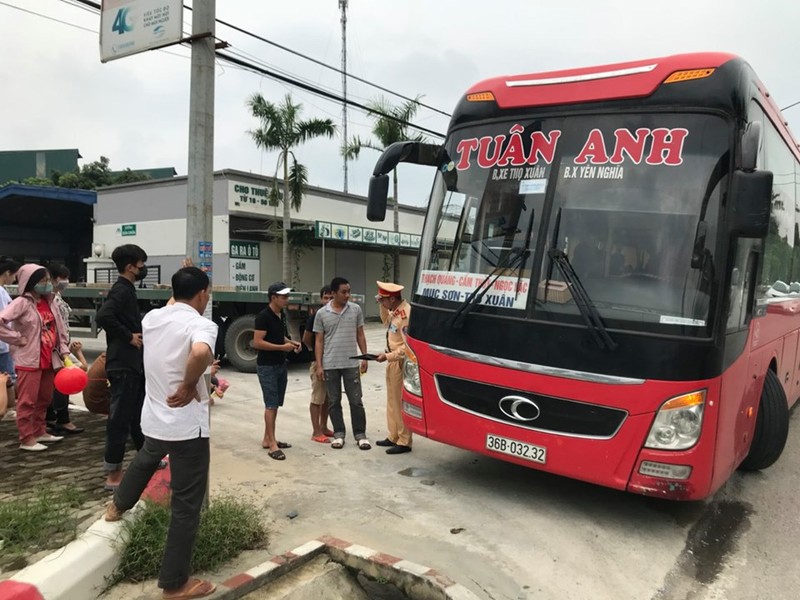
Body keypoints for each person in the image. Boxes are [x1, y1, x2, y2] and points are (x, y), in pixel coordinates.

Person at [104, 266, 218, 600]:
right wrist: (187, 385)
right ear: (201, 294)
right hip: (187, 426)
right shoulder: (201, 324)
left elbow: (177, 302)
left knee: (145, 459)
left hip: (155, 418)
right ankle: (174, 583)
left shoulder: (152, 319)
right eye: (206, 292)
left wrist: (183, 278)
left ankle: (116, 507)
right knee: (186, 505)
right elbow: (199, 352)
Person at [0, 264, 71, 451]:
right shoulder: (21, 303)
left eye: (47, 279)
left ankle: (40, 431)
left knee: (44, 399)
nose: (47, 284)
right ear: (30, 282)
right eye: (42, 280)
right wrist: (16, 338)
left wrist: (64, 351)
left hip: (49, 358)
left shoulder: (51, 301)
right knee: (27, 400)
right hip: (29, 360)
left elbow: (59, 329)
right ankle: (26, 438)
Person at [96, 244, 148, 490]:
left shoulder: (127, 289)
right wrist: (129, 336)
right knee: (119, 419)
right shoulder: (121, 290)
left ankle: (145, 458)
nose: (143, 269)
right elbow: (104, 316)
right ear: (130, 267)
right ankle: (113, 474)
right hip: (123, 364)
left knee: (136, 415)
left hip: (131, 364)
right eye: (141, 265)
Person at [313, 276, 371, 450]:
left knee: (356, 400)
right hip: (330, 364)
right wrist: (320, 365)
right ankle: (339, 434)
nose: (347, 295)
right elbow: (319, 341)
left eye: (349, 291)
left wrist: (365, 356)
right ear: (333, 293)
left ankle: (360, 434)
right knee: (334, 401)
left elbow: (360, 334)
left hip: (351, 364)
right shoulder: (322, 313)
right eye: (343, 292)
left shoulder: (355, 310)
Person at [253, 282, 300, 460]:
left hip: (280, 364)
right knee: (270, 405)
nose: (287, 299)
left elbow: (278, 336)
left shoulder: (280, 315)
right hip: (267, 366)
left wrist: (291, 342)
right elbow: (257, 342)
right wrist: (282, 347)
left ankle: (268, 438)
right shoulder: (263, 316)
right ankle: (272, 444)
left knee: (276, 404)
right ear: (273, 298)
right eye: (284, 297)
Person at [374, 281, 413, 454]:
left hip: (399, 361)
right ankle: (394, 435)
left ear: (391, 299)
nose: (381, 302)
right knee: (392, 401)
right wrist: (382, 306)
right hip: (391, 361)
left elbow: (408, 347)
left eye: (383, 300)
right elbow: (385, 322)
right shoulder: (395, 312)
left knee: (400, 402)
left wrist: (388, 356)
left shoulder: (405, 314)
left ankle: (404, 440)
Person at [45, 264, 84, 435]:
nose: (65, 282)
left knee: (59, 383)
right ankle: (61, 419)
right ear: (52, 279)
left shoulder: (56, 296)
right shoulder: (48, 299)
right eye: (61, 278)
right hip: (55, 348)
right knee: (62, 383)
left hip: (62, 346)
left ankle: (54, 417)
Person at [302, 285, 335, 443]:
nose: (328, 301)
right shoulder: (315, 317)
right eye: (325, 298)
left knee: (327, 397)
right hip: (318, 363)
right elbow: (307, 339)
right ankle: (316, 432)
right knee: (317, 397)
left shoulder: (335, 315)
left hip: (331, 363)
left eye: (331, 298)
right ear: (321, 299)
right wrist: (316, 356)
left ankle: (324, 426)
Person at [0, 258, 21, 381]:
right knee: (9, 380)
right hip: (3, 344)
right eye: (14, 275)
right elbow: (4, 318)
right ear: (7, 273)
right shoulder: (1, 292)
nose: (14, 279)